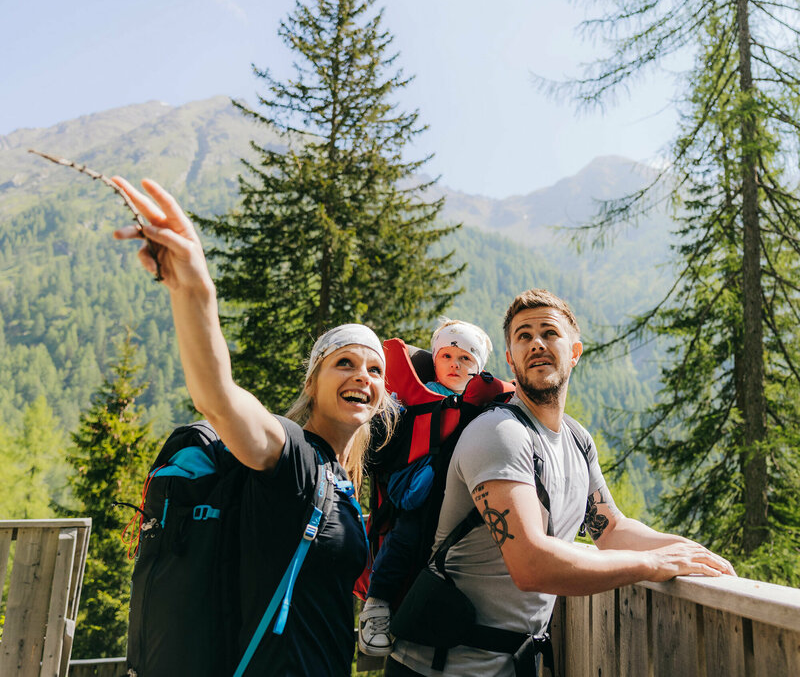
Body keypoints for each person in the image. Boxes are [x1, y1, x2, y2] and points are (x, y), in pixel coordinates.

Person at [112, 176, 397, 677]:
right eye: (344, 363)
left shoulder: (341, 482)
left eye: (375, 370)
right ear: (313, 384)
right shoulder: (293, 458)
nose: (362, 376)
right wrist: (195, 288)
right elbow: (218, 399)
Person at [388, 288, 736, 677]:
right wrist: (651, 564)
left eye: (548, 333)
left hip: (509, 666)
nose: (535, 343)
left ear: (574, 351)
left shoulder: (576, 439)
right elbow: (532, 564)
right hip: (439, 668)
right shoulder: (500, 433)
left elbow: (612, 528)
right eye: (523, 336)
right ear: (510, 359)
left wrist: (689, 552)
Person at [359, 320, 493, 657]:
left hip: (463, 498)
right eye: (447, 355)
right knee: (404, 540)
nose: (454, 364)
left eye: (465, 359)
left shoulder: (484, 406)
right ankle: (376, 605)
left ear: (477, 370)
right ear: (435, 359)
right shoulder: (416, 396)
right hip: (418, 498)